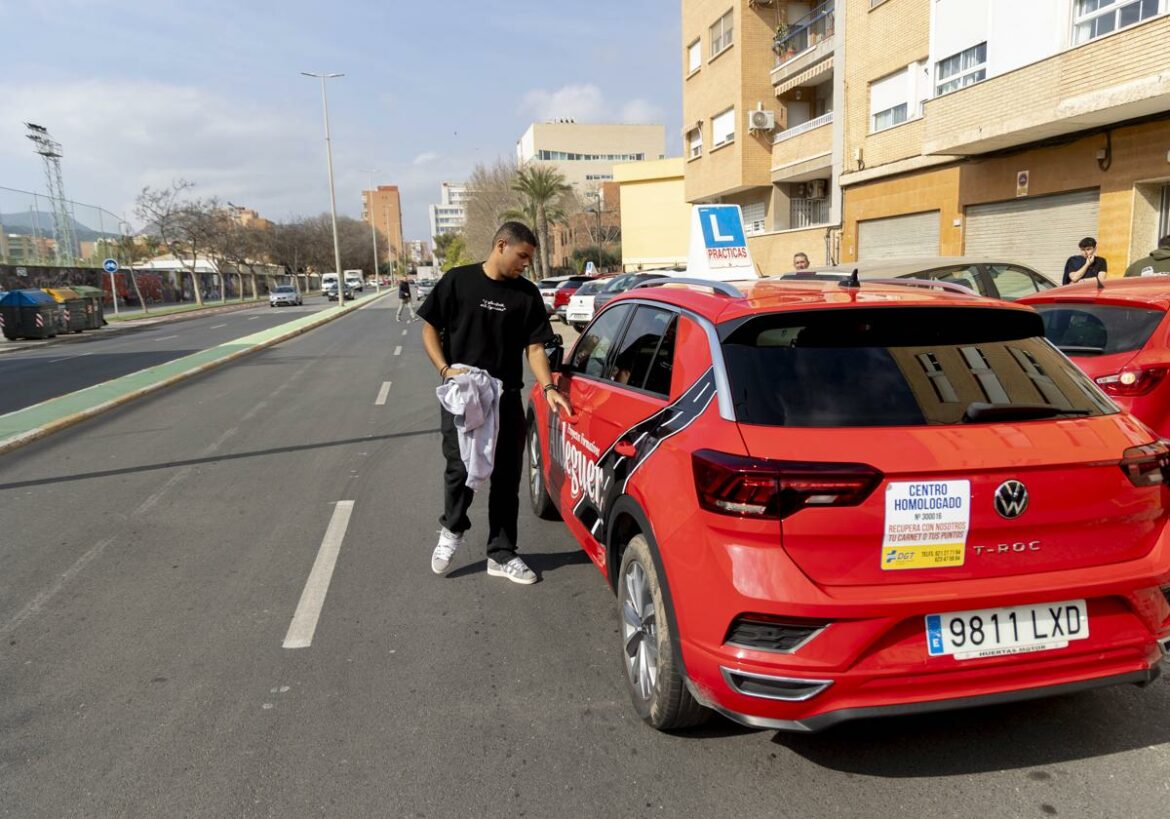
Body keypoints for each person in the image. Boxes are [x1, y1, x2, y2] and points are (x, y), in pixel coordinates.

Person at [417, 221, 573, 585]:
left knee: (506, 476)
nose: (526, 265)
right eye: (522, 256)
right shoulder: (457, 281)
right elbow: (429, 327)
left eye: (529, 259)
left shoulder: (527, 295)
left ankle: (501, 553)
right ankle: (452, 530)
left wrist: (548, 387)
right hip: (464, 395)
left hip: (505, 397)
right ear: (501, 245)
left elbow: (534, 348)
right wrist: (445, 369)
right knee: (460, 469)